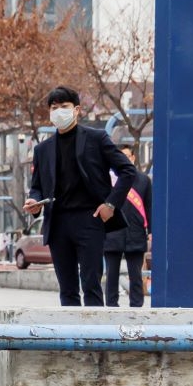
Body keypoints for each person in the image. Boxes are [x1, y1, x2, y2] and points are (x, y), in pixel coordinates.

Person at [24, 86, 140, 307]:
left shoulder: (97, 138)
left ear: (76, 110)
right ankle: (71, 338)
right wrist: (34, 202)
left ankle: (93, 338)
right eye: (54, 107)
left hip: (90, 219)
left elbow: (128, 171)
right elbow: (37, 186)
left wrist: (110, 204)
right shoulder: (42, 150)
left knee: (91, 284)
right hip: (57, 223)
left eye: (64, 107)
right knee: (67, 289)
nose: (59, 111)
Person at [103, 145, 153, 307]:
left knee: (135, 274)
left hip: (135, 233)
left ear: (133, 158)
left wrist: (151, 231)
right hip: (112, 233)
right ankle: (111, 305)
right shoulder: (108, 179)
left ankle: (136, 306)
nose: (124, 159)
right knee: (111, 274)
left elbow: (149, 207)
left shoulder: (143, 180)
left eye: (127, 156)